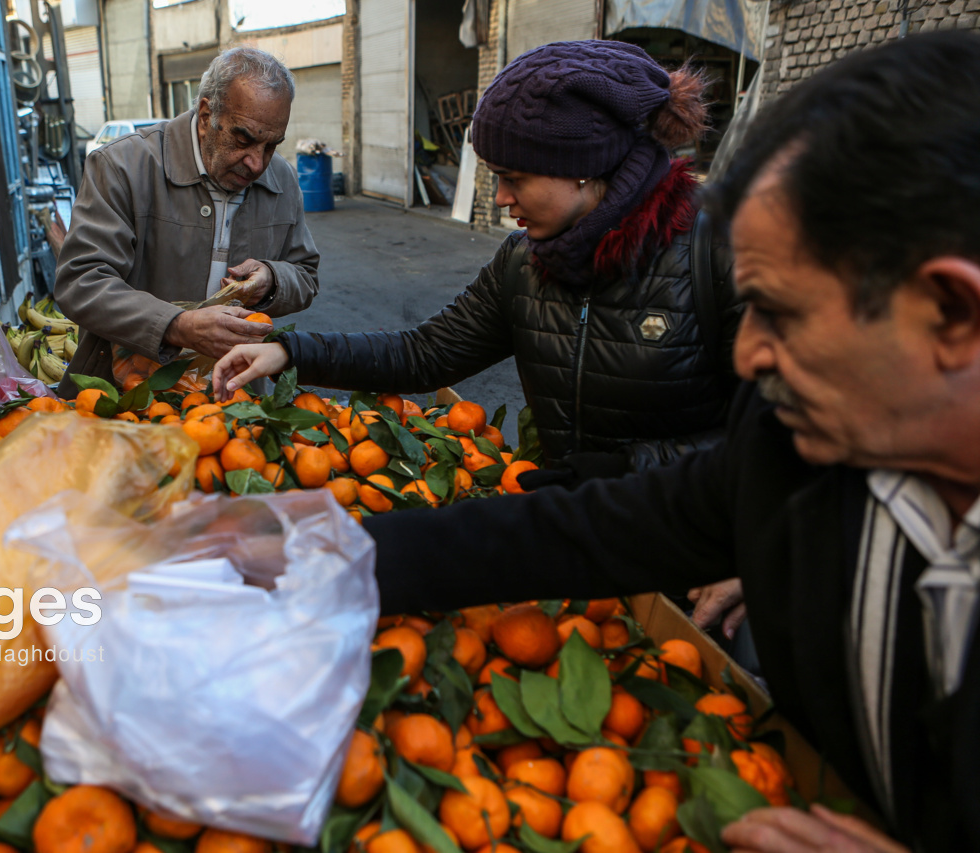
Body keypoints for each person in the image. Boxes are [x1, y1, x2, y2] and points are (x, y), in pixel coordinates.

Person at [364, 31, 980, 852]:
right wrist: (317, 550)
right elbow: (584, 530)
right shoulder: (797, 455)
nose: (751, 355)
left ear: (950, 314)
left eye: (780, 313)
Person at [214, 40, 747, 637]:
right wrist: (292, 351)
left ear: (587, 163)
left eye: (514, 178)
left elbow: (788, 437)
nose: (500, 199)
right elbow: (426, 353)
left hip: (706, 564)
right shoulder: (527, 263)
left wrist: (630, 467)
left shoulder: (718, 254)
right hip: (579, 550)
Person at [53, 47, 320, 398]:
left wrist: (270, 279)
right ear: (207, 115)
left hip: (231, 402)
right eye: (244, 139)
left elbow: (305, 274)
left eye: (271, 146)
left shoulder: (281, 179)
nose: (257, 164)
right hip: (122, 395)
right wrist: (176, 326)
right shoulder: (122, 166)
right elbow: (81, 281)